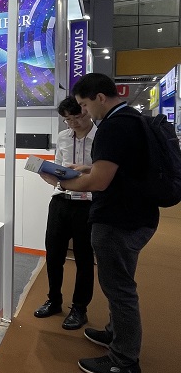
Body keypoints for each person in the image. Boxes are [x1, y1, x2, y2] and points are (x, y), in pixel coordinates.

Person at [40, 73, 157, 373]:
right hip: (126, 214)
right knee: (112, 283)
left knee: (118, 289)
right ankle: (115, 335)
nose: (83, 113)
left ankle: (123, 361)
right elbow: (114, 171)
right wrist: (81, 171)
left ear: (100, 98)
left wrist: (63, 182)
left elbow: (100, 181)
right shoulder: (131, 120)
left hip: (118, 218)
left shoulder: (114, 126)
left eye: (83, 106)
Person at [34, 97, 96, 330]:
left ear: (87, 111)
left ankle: (79, 308)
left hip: (88, 204)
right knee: (53, 255)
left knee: (84, 258)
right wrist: (51, 174)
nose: (73, 123)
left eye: (77, 117)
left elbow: (104, 172)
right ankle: (54, 300)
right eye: (68, 119)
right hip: (61, 201)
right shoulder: (62, 137)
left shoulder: (101, 137)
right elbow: (59, 165)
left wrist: (85, 172)